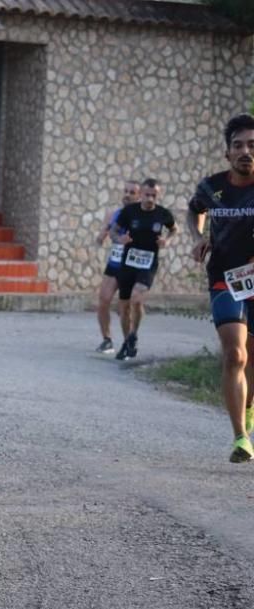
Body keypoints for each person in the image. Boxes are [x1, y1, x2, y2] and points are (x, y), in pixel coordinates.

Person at [187, 113, 254, 462]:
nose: (246, 151)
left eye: (252, 145)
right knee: (235, 354)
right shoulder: (211, 187)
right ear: (228, 153)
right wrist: (199, 237)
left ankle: (248, 407)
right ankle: (240, 437)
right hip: (225, 278)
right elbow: (193, 210)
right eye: (238, 145)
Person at [112, 178, 176, 360]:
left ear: (158, 195)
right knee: (123, 307)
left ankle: (134, 333)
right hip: (128, 263)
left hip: (148, 264)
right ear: (141, 194)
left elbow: (174, 229)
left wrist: (167, 241)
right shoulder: (129, 212)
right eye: (147, 195)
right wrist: (119, 239)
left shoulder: (163, 214)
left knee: (137, 298)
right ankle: (127, 342)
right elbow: (114, 231)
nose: (150, 199)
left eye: (153, 195)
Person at [95, 180, 141, 353]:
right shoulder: (115, 214)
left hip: (131, 266)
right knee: (103, 301)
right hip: (115, 263)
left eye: (132, 192)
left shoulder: (141, 216)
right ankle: (107, 340)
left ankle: (129, 341)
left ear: (138, 196)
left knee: (125, 307)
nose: (127, 195)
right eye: (126, 191)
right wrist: (101, 235)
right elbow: (104, 234)